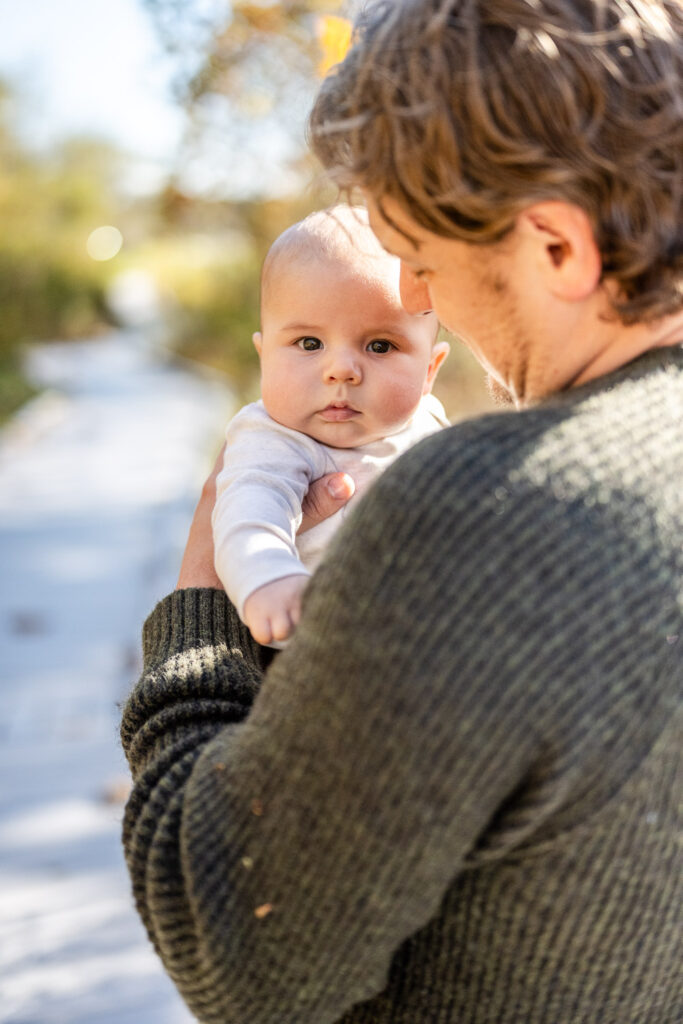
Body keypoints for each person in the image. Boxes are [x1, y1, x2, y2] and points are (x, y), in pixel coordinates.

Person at [120, 1, 682, 1022]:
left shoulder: (481, 511)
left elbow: (236, 955)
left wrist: (195, 630)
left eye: (419, 252)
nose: (413, 287)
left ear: (555, 245)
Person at [213, 205, 449, 646]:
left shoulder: (431, 424)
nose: (340, 370)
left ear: (429, 370)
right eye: (309, 343)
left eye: (380, 345)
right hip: (310, 650)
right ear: (264, 356)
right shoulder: (274, 438)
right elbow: (249, 513)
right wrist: (270, 579)